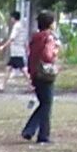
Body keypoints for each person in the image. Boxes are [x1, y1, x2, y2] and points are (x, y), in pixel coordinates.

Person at [19, 8, 59, 143]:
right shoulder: (49, 37)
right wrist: (54, 54)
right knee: (47, 104)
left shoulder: (36, 37)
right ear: (50, 24)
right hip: (45, 73)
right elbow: (47, 55)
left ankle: (30, 130)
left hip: (35, 73)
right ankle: (42, 135)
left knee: (43, 103)